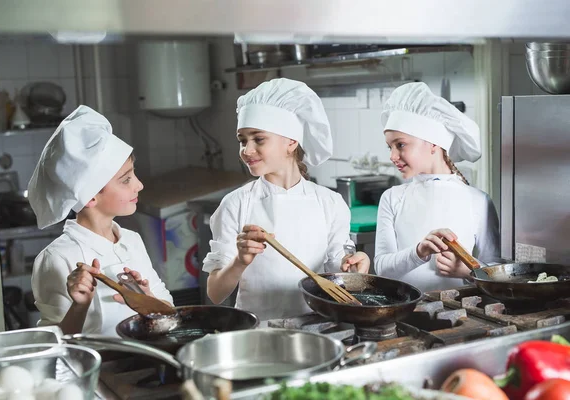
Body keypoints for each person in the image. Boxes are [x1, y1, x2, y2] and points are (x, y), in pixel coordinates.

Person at [202, 78, 370, 322]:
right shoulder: (235, 204)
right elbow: (215, 293)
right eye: (242, 140)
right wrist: (240, 261)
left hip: (320, 327)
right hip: (258, 332)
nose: (246, 150)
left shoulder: (330, 203)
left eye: (258, 139)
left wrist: (355, 267)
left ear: (291, 142)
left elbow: (339, 275)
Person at [28, 105, 173, 335]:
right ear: (91, 197)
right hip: (98, 370)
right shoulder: (57, 258)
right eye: (126, 180)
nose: (139, 185)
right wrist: (80, 306)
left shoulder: (132, 241)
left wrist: (148, 299)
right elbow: (57, 344)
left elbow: (171, 315)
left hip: (144, 362)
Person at [374, 82, 500, 292]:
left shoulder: (477, 200)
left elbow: (497, 270)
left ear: (433, 143)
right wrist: (418, 252)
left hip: (463, 316)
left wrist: (468, 270)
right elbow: (382, 269)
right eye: (390, 147)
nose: (392, 156)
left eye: (400, 144)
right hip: (404, 311)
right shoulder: (392, 197)